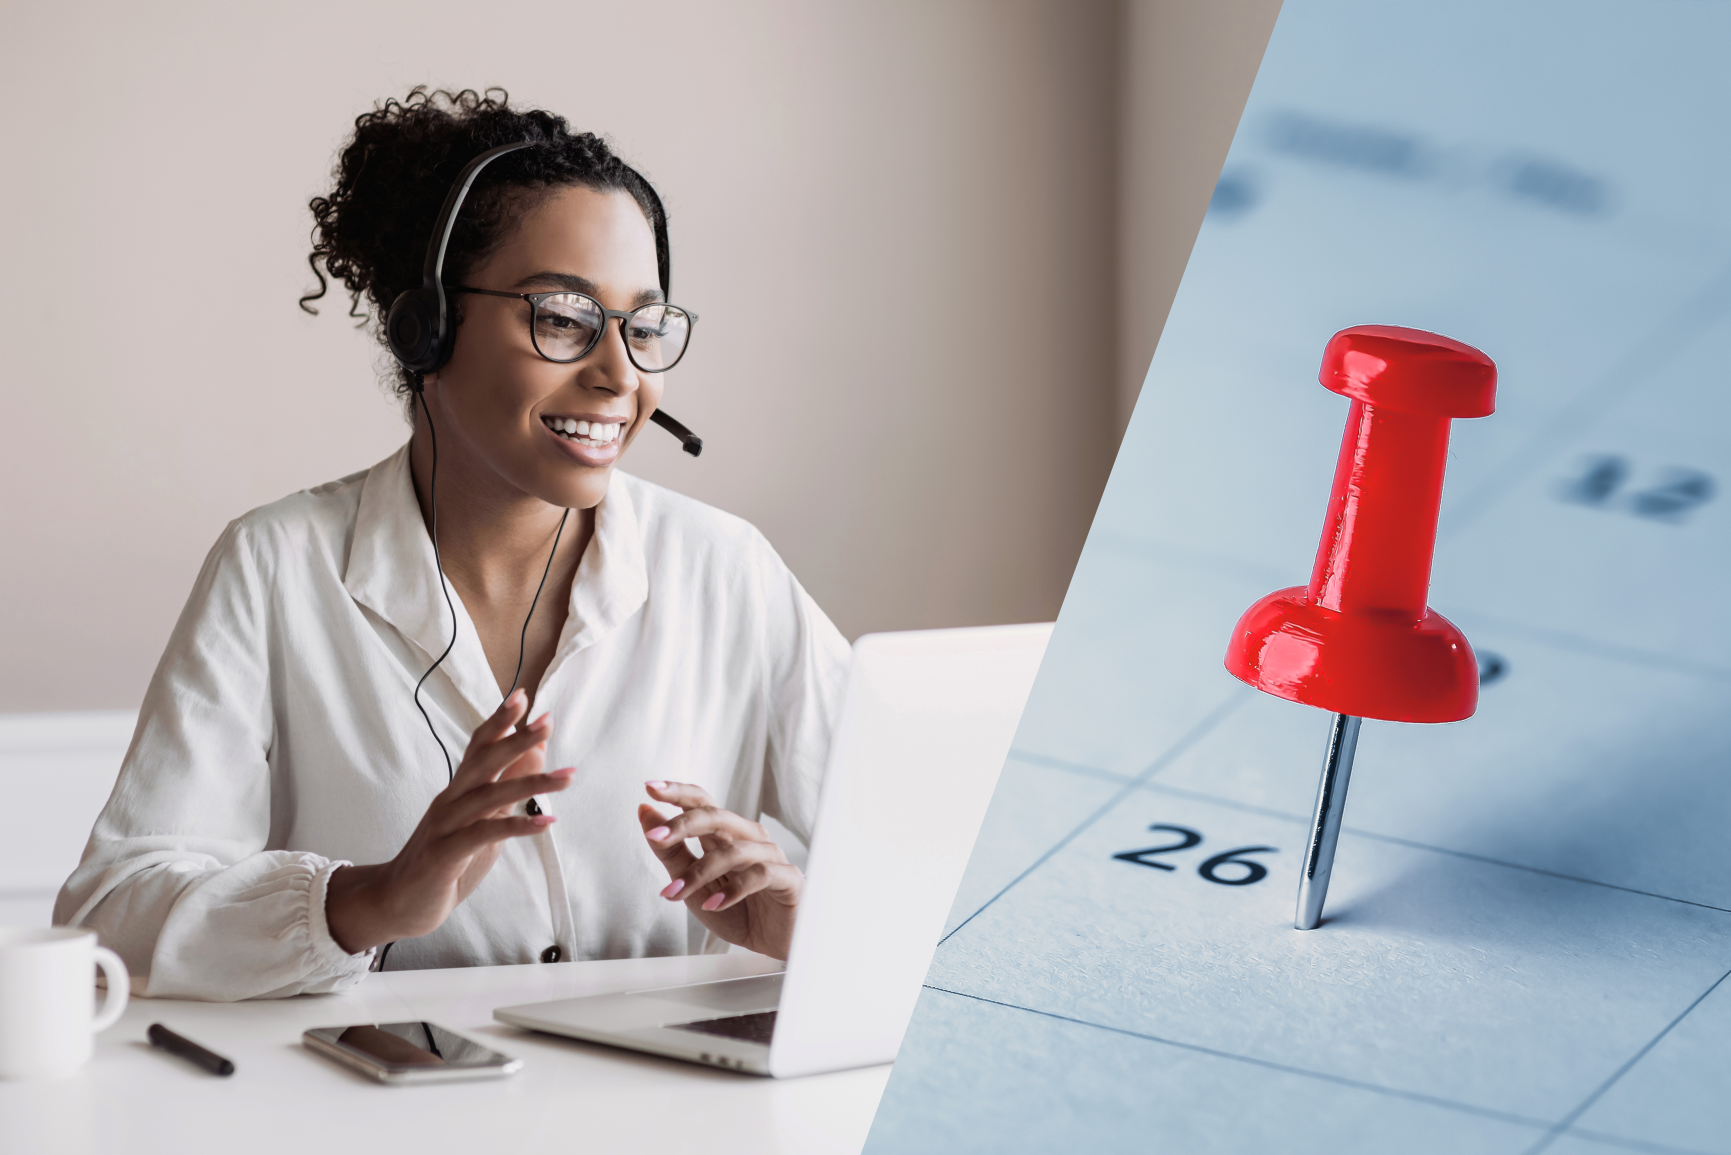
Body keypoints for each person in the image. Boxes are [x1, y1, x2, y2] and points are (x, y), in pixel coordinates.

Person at [53, 88, 850, 1001]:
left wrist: (809, 918)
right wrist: (368, 899)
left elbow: (938, 867)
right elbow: (111, 917)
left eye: (643, 326)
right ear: (424, 326)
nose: (619, 376)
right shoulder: (277, 567)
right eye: (562, 316)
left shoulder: (726, 570)